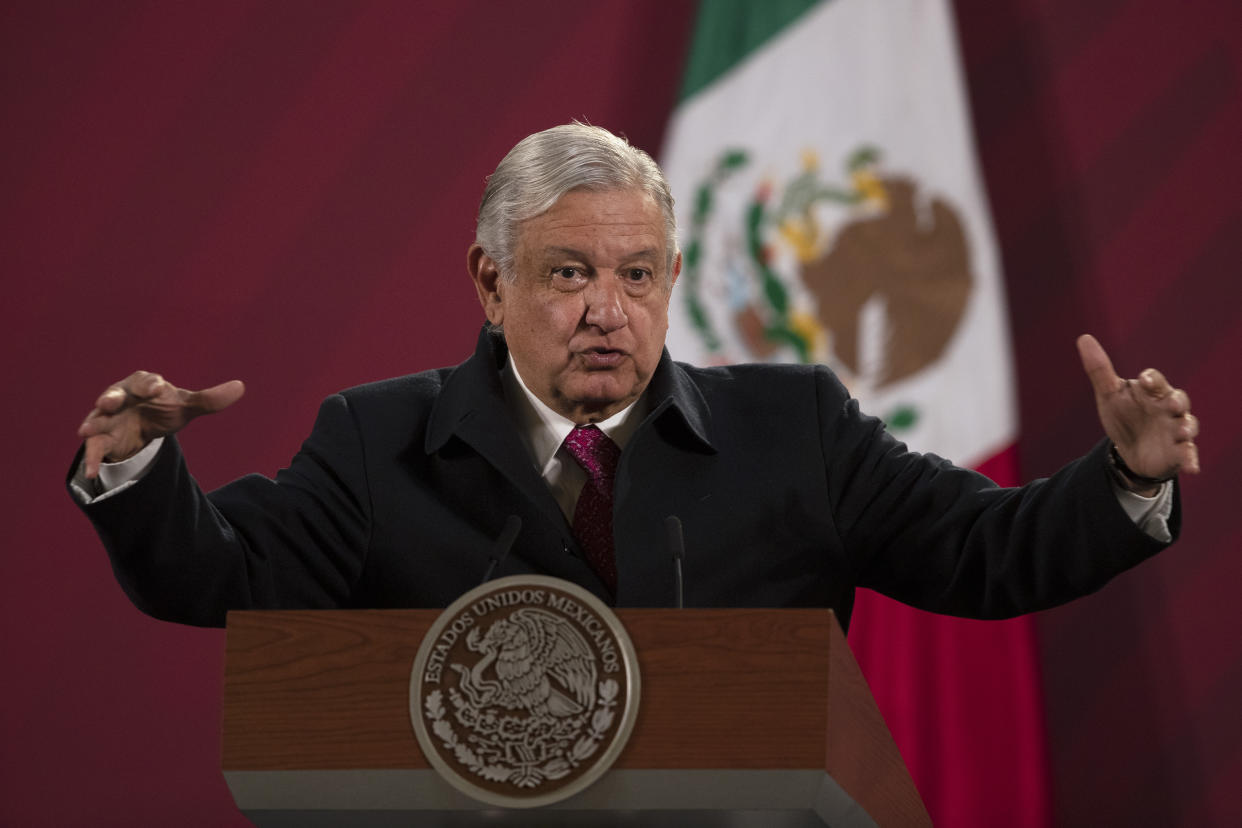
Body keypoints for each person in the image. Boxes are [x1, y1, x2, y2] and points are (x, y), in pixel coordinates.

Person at [69, 124, 1199, 628]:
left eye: (639, 273)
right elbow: (220, 578)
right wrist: (140, 470)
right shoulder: (376, 440)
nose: (608, 308)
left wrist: (1125, 482)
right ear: (488, 281)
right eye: (567, 273)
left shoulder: (789, 424)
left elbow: (982, 554)